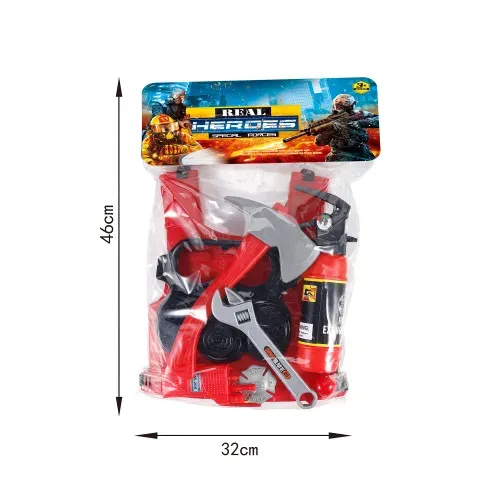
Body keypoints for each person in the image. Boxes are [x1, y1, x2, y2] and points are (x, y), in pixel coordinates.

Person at [312, 94, 379, 161]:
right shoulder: (330, 121)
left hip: (363, 152)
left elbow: (379, 119)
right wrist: (330, 131)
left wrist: (361, 123)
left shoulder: (359, 114)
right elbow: (318, 142)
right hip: (340, 156)